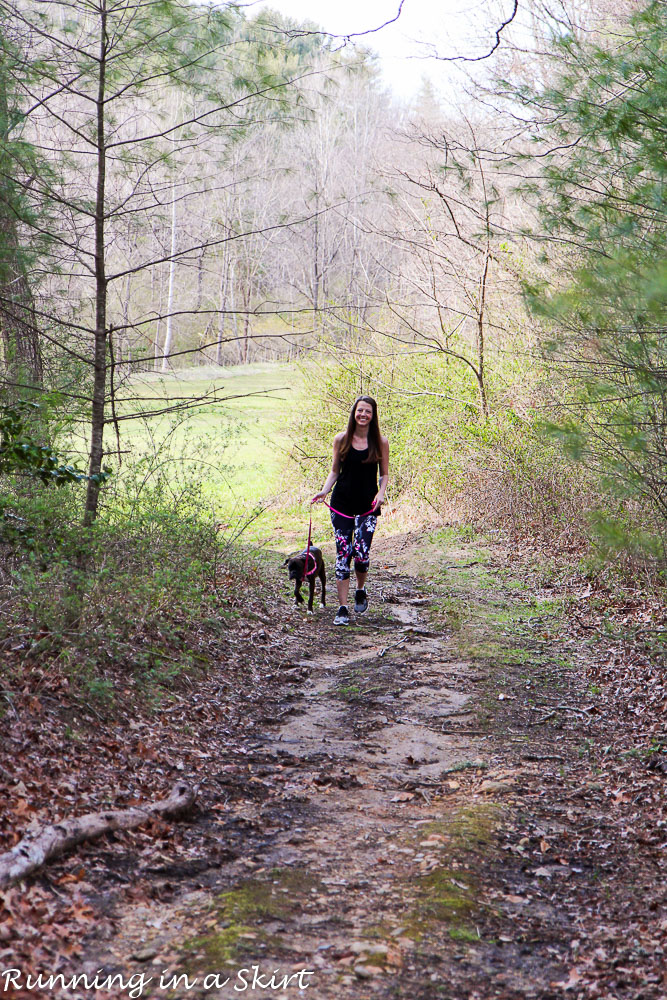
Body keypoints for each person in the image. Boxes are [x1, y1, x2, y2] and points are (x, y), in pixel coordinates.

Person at [311, 396, 389, 625]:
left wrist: (381, 493)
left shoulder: (380, 442)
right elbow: (334, 471)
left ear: (373, 416)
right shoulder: (341, 439)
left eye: (368, 412)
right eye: (360, 410)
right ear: (354, 413)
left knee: (362, 555)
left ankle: (360, 589)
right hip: (341, 504)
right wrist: (324, 491)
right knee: (343, 554)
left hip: (368, 505)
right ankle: (342, 608)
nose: (363, 415)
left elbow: (384, 474)